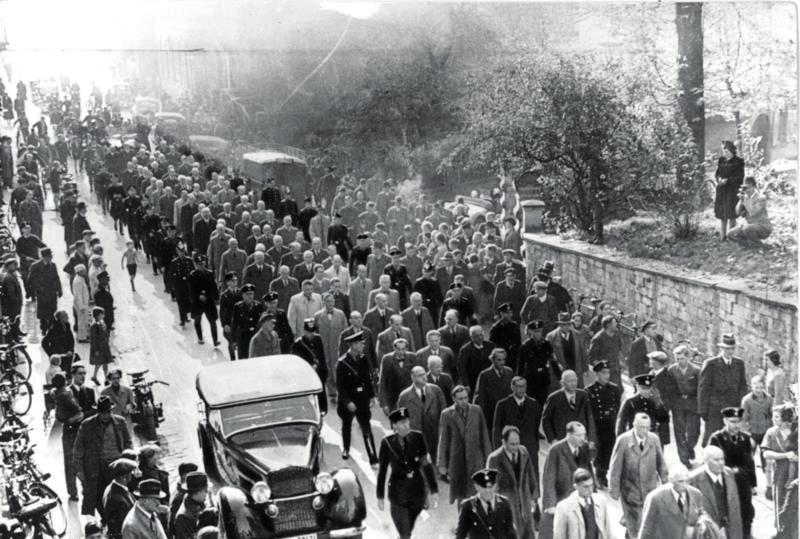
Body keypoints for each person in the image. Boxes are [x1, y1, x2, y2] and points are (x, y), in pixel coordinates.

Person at [376, 407, 439, 539]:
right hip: (398, 493)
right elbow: (382, 471)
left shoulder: (417, 437)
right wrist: (380, 496)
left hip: (417, 492)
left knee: (407, 530)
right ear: (394, 426)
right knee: (405, 533)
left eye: (407, 422)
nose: (406, 426)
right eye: (401, 423)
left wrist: (434, 490)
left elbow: (426, 465)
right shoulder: (387, 443)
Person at [608, 412, 669, 539]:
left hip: (650, 489)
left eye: (648, 427)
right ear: (634, 425)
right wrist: (614, 489)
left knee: (646, 522)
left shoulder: (654, 439)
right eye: (642, 427)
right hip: (631, 490)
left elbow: (661, 464)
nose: (645, 430)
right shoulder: (623, 440)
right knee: (636, 522)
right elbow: (615, 467)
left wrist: (666, 484)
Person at [73, 395, 133, 516]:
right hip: (97, 468)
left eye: (107, 412)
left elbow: (128, 442)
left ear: (111, 411)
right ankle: (105, 520)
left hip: (117, 467)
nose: (105, 416)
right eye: (102, 413)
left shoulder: (120, 422)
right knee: (97, 498)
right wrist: (79, 471)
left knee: (121, 496)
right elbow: (78, 450)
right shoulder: (87, 425)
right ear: (97, 412)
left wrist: (129, 462)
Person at [437, 385, 492, 505]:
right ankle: (464, 521)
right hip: (457, 462)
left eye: (466, 398)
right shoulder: (446, 414)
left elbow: (484, 436)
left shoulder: (477, 410)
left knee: (478, 494)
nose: (464, 401)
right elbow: (443, 440)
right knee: (461, 497)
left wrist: (488, 459)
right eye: (461, 399)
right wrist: (442, 464)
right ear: (454, 399)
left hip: (476, 460)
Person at [708, 407, 757, 538]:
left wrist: (753, 484)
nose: (736, 425)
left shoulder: (745, 438)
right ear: (725, 421)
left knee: (746, 511)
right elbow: (710, 460)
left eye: (738, 421)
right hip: (725, 481)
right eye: (732, 421)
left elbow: (750, 461)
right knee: (728, 511)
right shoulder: (717, 438)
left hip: (743, 481)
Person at [486, 426, 539, 539]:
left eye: (517, 443)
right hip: (508, 504)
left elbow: (531, 474)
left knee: (528, 533)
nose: (515, 447)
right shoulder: (494, 459)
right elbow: (491, 487)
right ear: (503, 442)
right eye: (512, 444)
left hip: (524, 501)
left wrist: (534, 498)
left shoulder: (523, 451)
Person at [698, 333, 748, 445]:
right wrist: (703, 410)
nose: (730, 351)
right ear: (722, 348)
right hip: (715, 408)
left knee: (731, 439)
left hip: (732, 407)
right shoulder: (711, 363)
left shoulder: (739, 363)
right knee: (712, 438)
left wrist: (740, 405)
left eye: (732, 348)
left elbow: (743, 385)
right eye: (727, 349)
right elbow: (703, 388)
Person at [336, 331, 378, 463]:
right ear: (353, 345)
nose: (363, 346)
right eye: (360, 344)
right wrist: (347, 402)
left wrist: (371, 396)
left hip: (362, 399)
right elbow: (340, 387)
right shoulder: (342, 363)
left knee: (366, 427)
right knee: (347, 425)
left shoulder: (363, 358)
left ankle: (372, 456)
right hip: (348, 400)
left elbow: (367, 379)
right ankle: (346, 449)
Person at [688, 445, 744, 539]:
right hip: (709, 530)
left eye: (722, 459)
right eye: (716, 460)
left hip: (731, 527)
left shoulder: (729, 473)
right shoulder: (694, 479)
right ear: (705, 461)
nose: (721, 463)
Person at [638, 463, 705, 539]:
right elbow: (646, 527)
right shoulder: (655, 498)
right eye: (680, 481)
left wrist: (702, 521)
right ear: (670, 480)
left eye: (687, 481)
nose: (685, 485)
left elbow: (701, 513)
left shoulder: (696, 494)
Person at [397, 366, 446, 464]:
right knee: (422, 458)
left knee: (438, 454)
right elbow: (400, 417)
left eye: (424, 374)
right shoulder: (405, 396)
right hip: (417, 431)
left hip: (435, 429)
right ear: (413, 377)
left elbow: (444, 410)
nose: (424, 377)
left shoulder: (435, 390)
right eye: (420, 375)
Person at [585, 361, 622, 489]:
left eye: (608, 373)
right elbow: (588, 412)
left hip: (611, 425)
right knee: (599, 452)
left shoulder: (615, 389)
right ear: (597, 374)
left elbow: (617, 408)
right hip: (597, 426)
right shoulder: (589, 391)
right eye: (603, 373)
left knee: (609, 451)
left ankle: (604, 474)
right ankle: (599, 476)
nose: (607, 375)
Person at [762, 405, 798, 532]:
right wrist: (785, 455)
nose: (773, 419)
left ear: (785, 418)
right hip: (780, 473)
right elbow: (766, 453)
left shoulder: (797, 431)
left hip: (797, 473)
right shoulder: (771, 432)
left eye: (776, 416)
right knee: (780, 502)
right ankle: (781, 530)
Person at [455, 469, 516, 539]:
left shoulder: (504, 503)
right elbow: (461, 534)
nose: (488, 490)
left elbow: (510, 532)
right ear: (476, 487)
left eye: (491, 487)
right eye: (483, 487)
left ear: (495, 485)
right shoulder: (468, 506)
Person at [553, 468, 612, 539]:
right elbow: (559, 536)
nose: (590, 490)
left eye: (592, 485)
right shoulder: (564, 507)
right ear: (576, 487)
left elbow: (607, 529)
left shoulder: (600, 501)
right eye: (585, 487)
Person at [542, 370, 596, 444]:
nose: (573, 383)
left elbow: (589, 418)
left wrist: (591, 439)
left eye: (575, 380)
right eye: (569, 381)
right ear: (562, 383)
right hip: (562, 440)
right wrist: (553, 439)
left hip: (581, 439)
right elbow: (546, 421)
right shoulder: (554, 398)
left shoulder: (583, 395)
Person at [668, 344, 701, 467]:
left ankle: (689, 448)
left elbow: (700, 389)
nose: (679, 361)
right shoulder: (671, 370)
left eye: (682, 358)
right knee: (679, 432)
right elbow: (670, 389)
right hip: (678, 405)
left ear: (687, 357)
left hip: (693, 404)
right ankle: (684, 460)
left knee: (694, 432)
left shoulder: (696, 370)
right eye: (677, 359)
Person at [616, 374, 670, 444]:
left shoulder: (654, 401)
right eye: (643, 388)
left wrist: (659, 403)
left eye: (648, 388)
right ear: (637, 387)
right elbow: (621, 423)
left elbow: (664, 420)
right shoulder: (630, 402)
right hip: (634, 439)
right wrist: (621, 441)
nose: (646, 391)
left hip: (651, 438)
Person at [291, 318, 328, 413]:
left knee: (320, 392)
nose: (311, 334)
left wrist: (323, 370)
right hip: (306, 373)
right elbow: (296, 362)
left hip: (318, 372)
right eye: (308, 332)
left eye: (313, 332)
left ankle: (322, 410)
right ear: (304, 331)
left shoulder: (318, 339)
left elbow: (322, 356)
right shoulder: (298, 344)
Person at [473, 348, 514, 432]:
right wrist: (480, 414)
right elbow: (480, 396)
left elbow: (513, 391)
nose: (502, 362)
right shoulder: (485, 374)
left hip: (507, 412)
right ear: (492, 360)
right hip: (491, 412)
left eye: (503, 360)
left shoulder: (509, 372)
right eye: (499, 360)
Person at [714, 140, 745, 241]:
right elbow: (717, 173)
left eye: (726, 150)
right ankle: (723, 236)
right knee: (723, 214)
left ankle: (732, 235)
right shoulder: (721, 160)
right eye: (723, 150)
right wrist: (719, 179)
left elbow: (740, 177)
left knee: (732, 214)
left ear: (732, 150)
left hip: (732, 190)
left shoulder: (738, 162)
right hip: (722, 191)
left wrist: (727, 180)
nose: (724, 152)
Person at [727, 175, 773, 242]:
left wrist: (744, 201)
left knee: (747, 228)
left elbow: (753, 212)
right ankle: (747, 243)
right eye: (745, 188)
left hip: (763, 227)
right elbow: (737, 212)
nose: (747, 190)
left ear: (754, 186)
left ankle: (757, 244)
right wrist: (740, 200)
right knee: (730, 234)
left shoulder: (761, 198)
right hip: (750, 226)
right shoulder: (745, 197)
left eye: (749, 188)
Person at [547, 311, 588, 385]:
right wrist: (556, 365)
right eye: (564, 325)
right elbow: (549, 355)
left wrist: (585, 368)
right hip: (561, 371)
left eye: (569, 324)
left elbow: (583, 352)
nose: (567, 327)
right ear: (559, 325)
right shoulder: (551, 337)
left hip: (576, 369)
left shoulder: (577, 335)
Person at [27, 247, 62, 333]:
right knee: (43, 311)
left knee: (52, 310)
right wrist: (39, 288)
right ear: (43, 257)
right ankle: (43, 328)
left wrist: (59, 289)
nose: (50, 258)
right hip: (42, 293)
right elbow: (31, 279)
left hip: (52, 292)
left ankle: (51, 327)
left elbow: (56, 278)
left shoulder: (53, 265)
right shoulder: (35, 266)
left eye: (51, 256)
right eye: (48, 256)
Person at [102, 458, 138, 539]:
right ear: (124, 477)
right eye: (130, 472)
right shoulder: (118, 500)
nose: (133, 474)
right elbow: (122, 528)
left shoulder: (112, 488)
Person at [188, 255, 220, 346]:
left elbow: (214, 287)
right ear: (195, 265)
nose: (201, 266)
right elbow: (191, 289)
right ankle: (200, 337)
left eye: (202, 264)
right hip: (198, 303)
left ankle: (215, 340)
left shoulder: (209, 273)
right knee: (197, 320)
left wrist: (217, 298)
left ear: (205, 263)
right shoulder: (192, 275)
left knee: (213, 321)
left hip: (209, 301)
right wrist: (198, 296)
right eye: (198, 264)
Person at [230, 283, 266, 359]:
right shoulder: (238, 307)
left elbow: (263, 322)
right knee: (243, 359)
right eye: (247, 294)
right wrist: (233, 341)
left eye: (251, 294)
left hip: (255, 337)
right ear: (243, 295)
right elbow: (234, 324)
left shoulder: (258, 306)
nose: (250, 296)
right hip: (243, 338)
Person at [173, 471, 209, 539]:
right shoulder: (183, 517)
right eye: (205, 490)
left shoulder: (198, 503)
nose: (207, 493)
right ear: (197, 492)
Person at [488, 303, 521, 372]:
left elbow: (518, 343)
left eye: (511, 313)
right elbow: (492, 345)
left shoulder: (514, 326)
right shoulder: (496, 328)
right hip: (501, 358)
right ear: (501, 314)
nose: (510, 315)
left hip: (513, 358)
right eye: (507, 313)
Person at [89, 306, 113, 385]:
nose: (103, 315)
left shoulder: (102, 322)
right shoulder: (94, 325)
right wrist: (96, 350)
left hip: (104, 346)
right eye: (102, 314)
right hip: (99, 347)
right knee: (99, 363)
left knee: (104, 363)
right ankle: (98, 377)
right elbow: (93, 339)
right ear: (98, 315)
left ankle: (104, 378)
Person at [72, 263, 90, 342]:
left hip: (84, 303)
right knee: (81, 321)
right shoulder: (78, 281)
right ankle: (82, 338)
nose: (85, 272)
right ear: (79, 272)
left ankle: (84, 335)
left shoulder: (81, 279)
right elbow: (78, 295)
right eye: (84, 271)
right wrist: (81, 306)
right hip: (81, 305)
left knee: (85, 320)